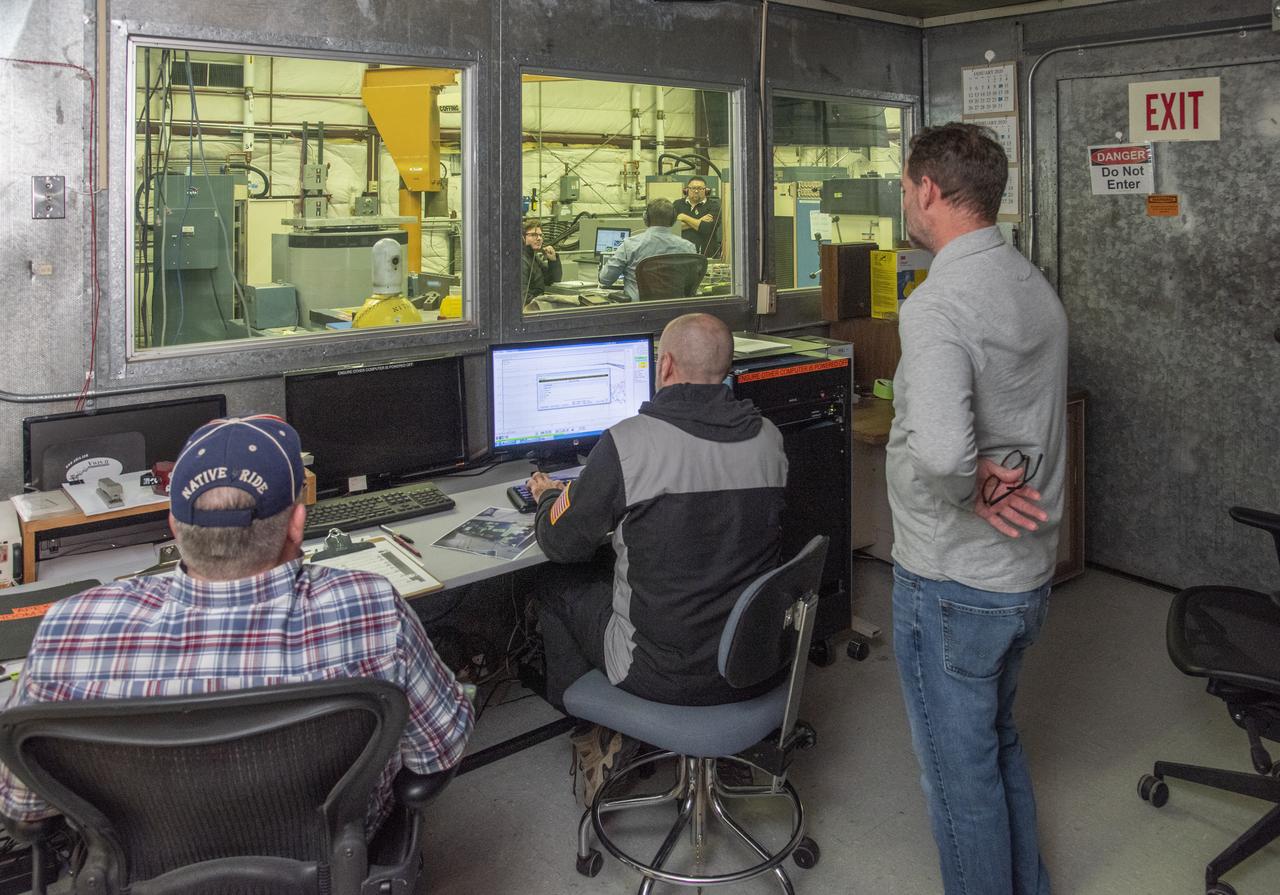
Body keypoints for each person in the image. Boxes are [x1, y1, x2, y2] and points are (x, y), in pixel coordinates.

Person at [0, 415, 474, 838]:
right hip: (332, 860)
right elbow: (437, 754)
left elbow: (25, 811)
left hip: (143, 871)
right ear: (296, 524)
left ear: (174, 525)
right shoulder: (371, 608)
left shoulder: (71, 628)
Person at [887, 121, 1067, 895]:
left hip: (952, 581)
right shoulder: (1029, 282)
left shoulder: (938, 304)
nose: (905, 201)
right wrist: (978, 474)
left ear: (928, 189)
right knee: (996, 745)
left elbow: (941, 455)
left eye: (905, 188)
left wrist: (966, 484)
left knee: (958, 780)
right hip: (1022, 573)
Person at [525, 313, 787, 805]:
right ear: (728, 368)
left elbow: (560, 542)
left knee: (554, 583)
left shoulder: (629, 443)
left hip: (660, 673)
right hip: (753, 659)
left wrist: (548, 497)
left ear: (664, 365)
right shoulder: (769, 438)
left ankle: (594, 732)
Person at [598, 198, 697, 302]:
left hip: (640, 309)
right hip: (676, 308)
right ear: (673, 220)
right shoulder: (688, 247)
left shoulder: (630, 245)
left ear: (646, 218)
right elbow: (692, 284)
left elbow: (605, 279)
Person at [672, 176, 722, 258]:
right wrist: (699, 221)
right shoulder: (677, 204)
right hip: (681, 255)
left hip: (707, 256)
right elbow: (672, 228)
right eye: (693, 188)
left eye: (700, 188)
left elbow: (707, 228)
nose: (696, 191)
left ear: (706, 191)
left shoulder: (713, 206)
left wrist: (684, 217)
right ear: (687, 190)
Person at [521, 219, 562, 304]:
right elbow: (522, 297)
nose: (539, 238)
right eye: (533, 235)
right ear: (523, 238)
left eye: (540, 235)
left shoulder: (533, 257)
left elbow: (553, 280)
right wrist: (543, 304)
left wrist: (553, 261)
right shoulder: (521, 260)